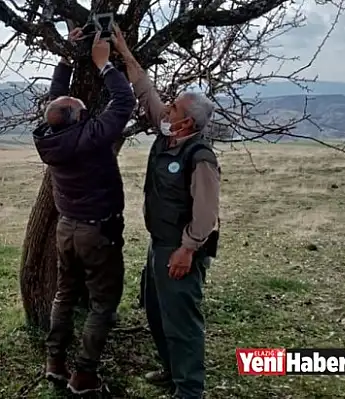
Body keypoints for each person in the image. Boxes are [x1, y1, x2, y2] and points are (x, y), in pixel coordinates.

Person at [112, 25, 221, 399]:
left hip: (179, 249)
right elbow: (146, 92)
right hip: (159, 243)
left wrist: (187, 249)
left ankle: (189, 389)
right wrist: (124, 52)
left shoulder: (200, 156)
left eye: (173, 107)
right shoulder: (168, 134)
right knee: (157, 312)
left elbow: (206, 215)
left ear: (187, 121)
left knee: (182, 321)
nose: (166, 108)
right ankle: (173, 372)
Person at [33, 28, 136, 395]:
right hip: (98, 232)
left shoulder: (49, 135)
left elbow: (55, 100)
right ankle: (84, 373)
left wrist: (66, 57)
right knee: (103, 302)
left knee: (64, 293)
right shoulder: (90, 137)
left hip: (67, 229)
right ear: (77, 119)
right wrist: (105, 63)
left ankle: (55, 361)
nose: (84, 106)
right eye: (81, 107)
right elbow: (124, 103)